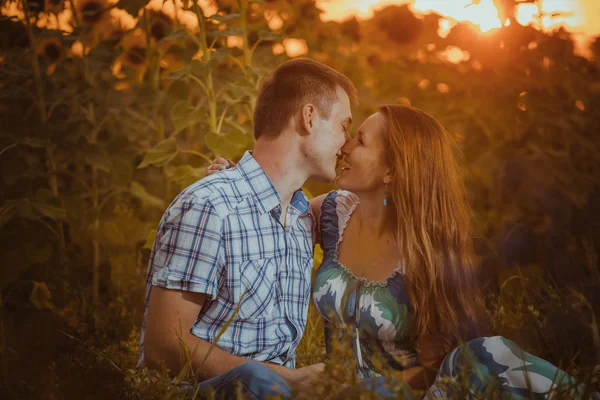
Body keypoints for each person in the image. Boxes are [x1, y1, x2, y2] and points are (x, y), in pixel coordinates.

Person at [208, 105, 598, 399]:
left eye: (359, 141)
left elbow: (430, 369)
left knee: (481, 355)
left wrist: (359, 391)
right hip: (331, 391)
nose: (344, 146)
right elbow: (264, 222)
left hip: (398, 394)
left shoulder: (429, 252)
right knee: (254, 382)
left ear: (392, 170)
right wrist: (234, 184)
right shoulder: (331, 212)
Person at [138, 57, 358, 399]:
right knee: (255, 381)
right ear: (309, 117)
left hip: (284, 391)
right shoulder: (210, 206)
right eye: (344, 126)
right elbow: (163, 346)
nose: (346, 142)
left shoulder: (302, 218)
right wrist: (289, 379)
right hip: (209, 392)